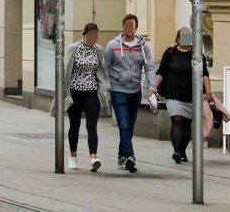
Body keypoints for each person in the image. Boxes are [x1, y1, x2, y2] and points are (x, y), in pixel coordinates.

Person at [103, 13, 159, 173]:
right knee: (124, 124)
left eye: (132, 25)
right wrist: (107, 87)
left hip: (135, 91)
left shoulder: (143, 46)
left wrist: (152, 87)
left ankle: (122, 155)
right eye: (126, 24)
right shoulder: (113, 45)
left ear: (136, 27)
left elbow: (149, 67)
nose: (129, 27)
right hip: (118, 90)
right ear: (123, 26)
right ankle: (131, 156)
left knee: (130, 126)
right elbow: (106, 67)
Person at [52, 22, 111, 171]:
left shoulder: (98, 50)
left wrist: (104, 88)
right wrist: (62, 93)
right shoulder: (74, 48)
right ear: (84, 35)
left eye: (96, 35)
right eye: (90, 35)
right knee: (75, 125)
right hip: (75, 93)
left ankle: (93, 158)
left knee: (92, 126)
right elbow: (66, 70)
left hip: (91, 93)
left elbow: (101, 71)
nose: (93, 38)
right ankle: (73, 155)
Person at [156, 27, 215, 163]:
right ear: (177, 39)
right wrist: (154, 86)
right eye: (183, 36)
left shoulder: (197, 55)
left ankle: (182, 151)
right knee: (177, 121)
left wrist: (208, 92)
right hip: (173, 94)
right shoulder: (170, 53)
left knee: (187, 124)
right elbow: (161, 72)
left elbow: (204, 74)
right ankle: (176, 151)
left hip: (192, 95)